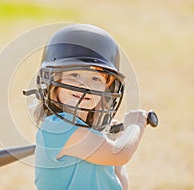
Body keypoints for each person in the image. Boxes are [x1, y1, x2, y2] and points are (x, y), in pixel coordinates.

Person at [24, 24, 148, 190]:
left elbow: (120, 184)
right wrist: (135, 125)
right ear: (54, 82)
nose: (85, 85)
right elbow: (119, 154)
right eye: (74, 75)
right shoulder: (60, 127)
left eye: (96, 79)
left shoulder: (91, 137)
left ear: (107, 89)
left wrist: (112, 140)